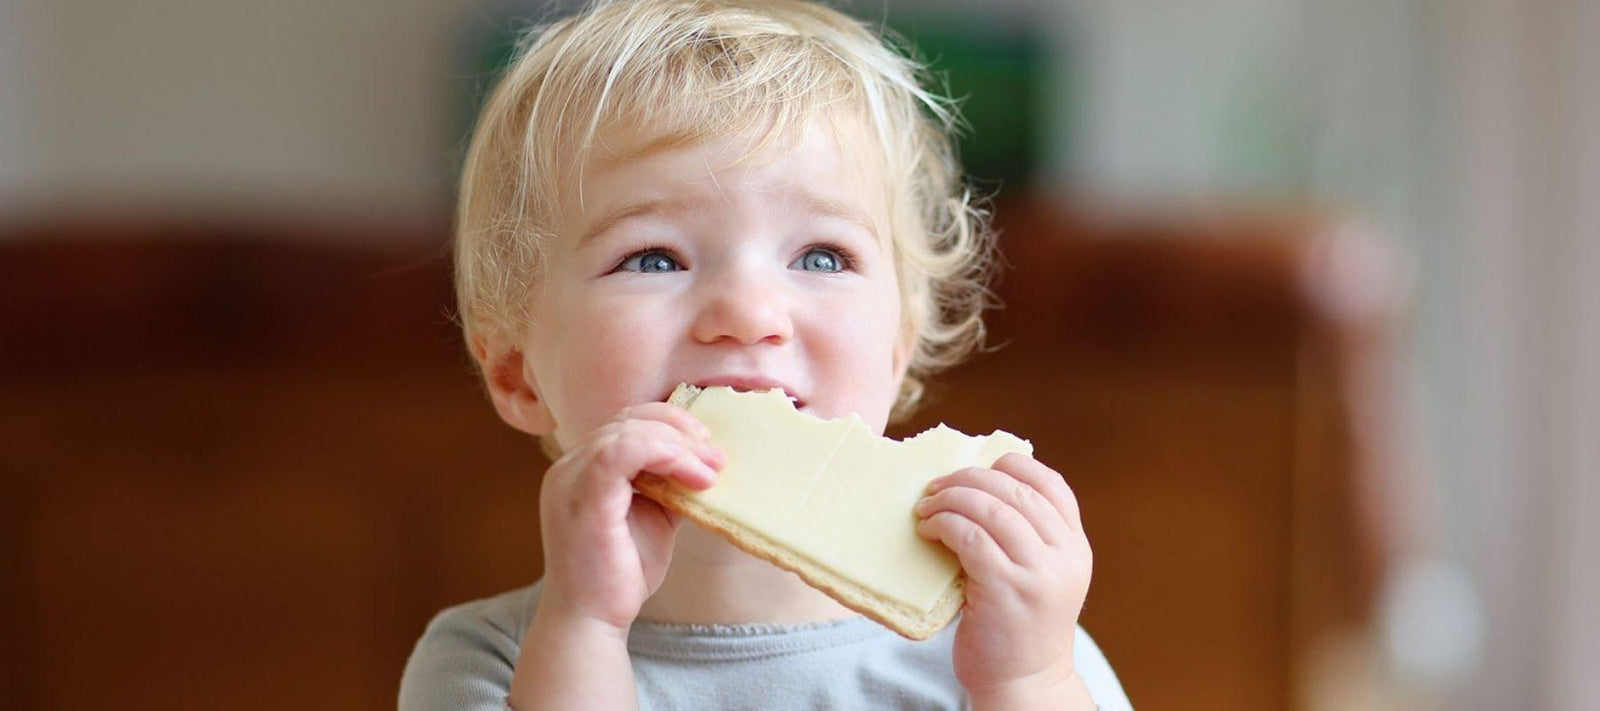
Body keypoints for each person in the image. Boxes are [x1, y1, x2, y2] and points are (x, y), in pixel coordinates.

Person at [400, 1, 1133, 708]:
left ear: (899, 349)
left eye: (821, 255)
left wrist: (1024, 686)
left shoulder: (1021, 648)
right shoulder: (488, 659)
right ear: (516, 372)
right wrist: (585, 627)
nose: (749, 314)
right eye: (654, 258)